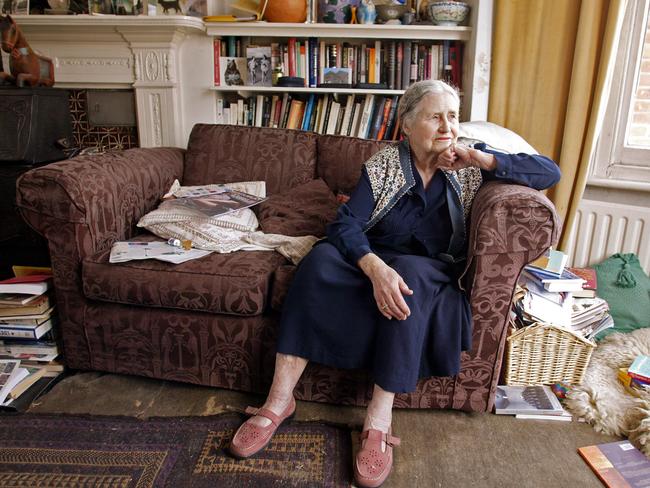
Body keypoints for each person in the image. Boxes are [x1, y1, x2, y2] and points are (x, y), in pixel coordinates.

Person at [229, 80, 561, 487]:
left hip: (429, 269)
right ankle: (279, 401)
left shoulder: (470, 161)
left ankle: (378, 420)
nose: (447, 127)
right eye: (435, 116)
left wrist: (481, 159)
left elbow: (549, 171)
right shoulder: (386, 165)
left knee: (411, 276)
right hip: (376, 259)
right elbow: (346, 224)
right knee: (318, 261)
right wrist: (371, 267)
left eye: (452, 116)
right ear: (407, 125)